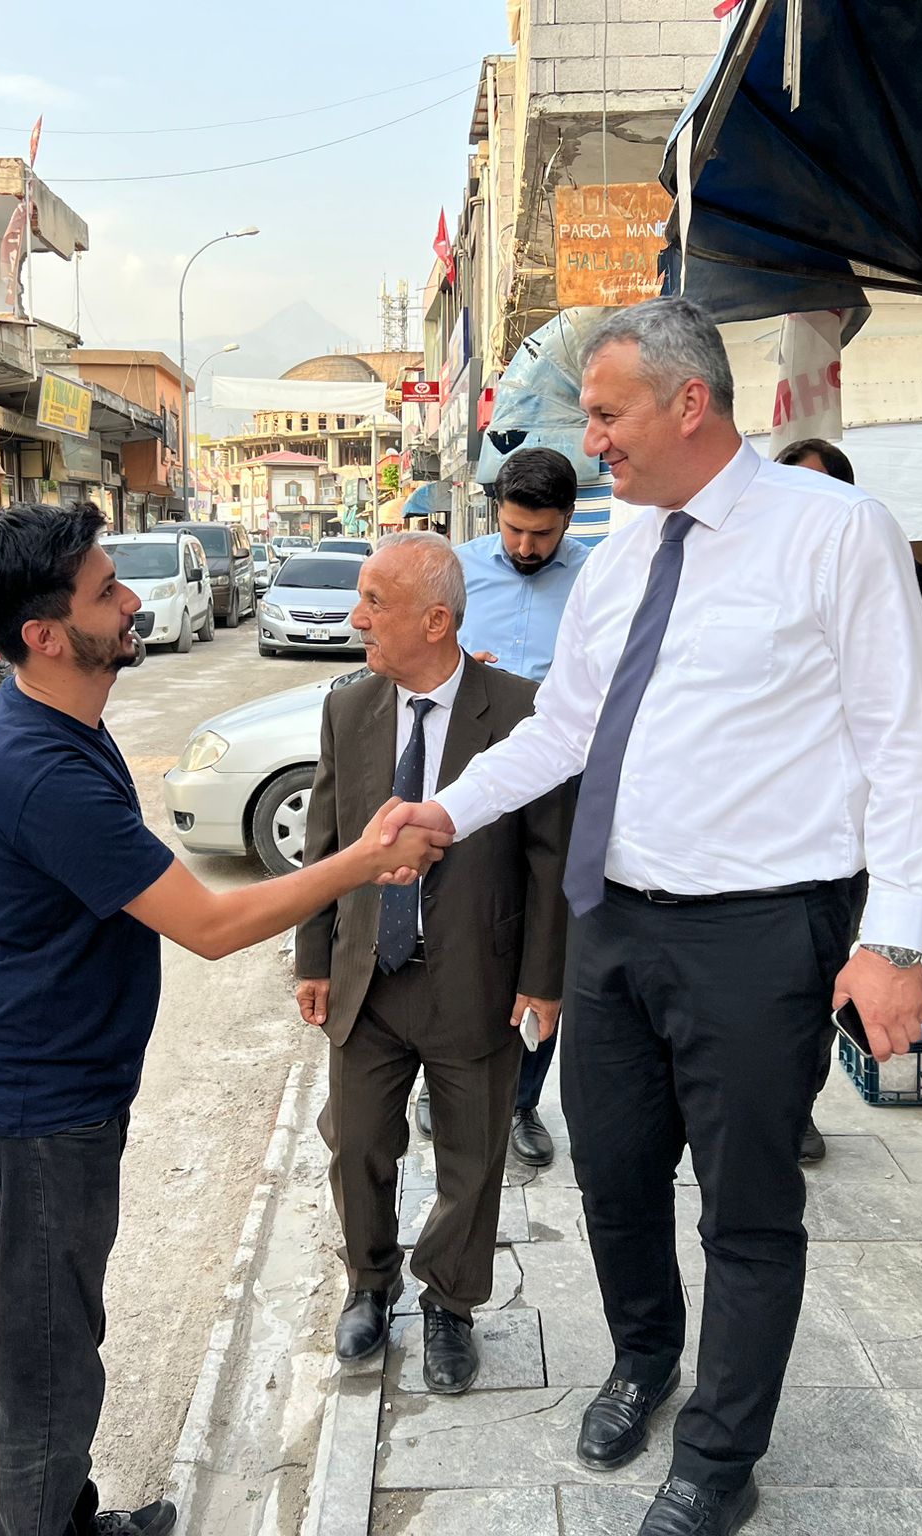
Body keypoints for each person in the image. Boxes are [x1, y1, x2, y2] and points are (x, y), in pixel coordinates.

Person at [382, 298, 922, 1536]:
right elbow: (564, 731)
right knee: (616, 1176)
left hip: (762, 931)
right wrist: (443, 812)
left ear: (688, 403)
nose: (590, 446)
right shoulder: (624, 553)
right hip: (614, 927)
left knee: (746, 1200)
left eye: (604, 415)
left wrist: (894, 939)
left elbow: (906, 747)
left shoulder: (835, 533)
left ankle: (718, 1454)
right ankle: (644, 1357)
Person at [0, 504, 443, 1536]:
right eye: (107, 591)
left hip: (55, 1099)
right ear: (42, 634)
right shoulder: (39, 766)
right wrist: (361, 862)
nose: (131, 603)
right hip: (24, 1113)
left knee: (61, 1339)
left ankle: (66, 1520)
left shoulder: (59, 722)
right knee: (45, 1365)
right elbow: (204, 922)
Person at [296, 532, 572, 1392]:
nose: (357, 617)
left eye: (376, 601)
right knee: (356, 1147)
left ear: (437, 620)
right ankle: (369, 1285)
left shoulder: (521, 711)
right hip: (367, 982)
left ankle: (450, 1301)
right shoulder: (349, 707)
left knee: (472, 1155)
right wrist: (313, 959)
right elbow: (326, 839)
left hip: (475, 981)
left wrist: (542, 978)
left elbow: (548, 858)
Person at [774, 436, 922, 1165]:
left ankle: (797, 1105)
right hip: (775, 823)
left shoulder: (896, 577)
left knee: (825, 967)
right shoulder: (759, 571)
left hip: (858, 825)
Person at [444, 443, 591, 1169]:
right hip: (474, 778)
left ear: (568, 518)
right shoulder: (459, 570)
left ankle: (523, 1102)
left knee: (544, 937)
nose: (526, 547)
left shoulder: (601, 578)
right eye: (513, 531)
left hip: (564, 785)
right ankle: (445, 1083)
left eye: (542, 533)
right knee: (461, 933)